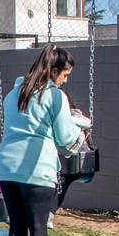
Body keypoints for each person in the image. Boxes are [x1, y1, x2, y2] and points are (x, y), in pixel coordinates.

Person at [0, 45, 82, 236]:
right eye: (65, 75)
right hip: (36, 166)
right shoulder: (55, 96)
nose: (65, 80)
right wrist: (79, 129)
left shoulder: (14, 93)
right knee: (38, 226)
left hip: (8, 167)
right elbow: (65, 136)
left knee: (17, 225)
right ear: (54, 71)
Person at [48, 94, 93, 229]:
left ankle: (48, 215)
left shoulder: (74, 115)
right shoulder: (54, 118)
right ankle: (47, 214)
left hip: (77, 162)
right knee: (57, 183)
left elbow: (87, 123)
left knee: (61, 182)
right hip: (63, 162)